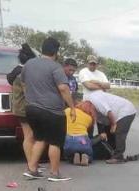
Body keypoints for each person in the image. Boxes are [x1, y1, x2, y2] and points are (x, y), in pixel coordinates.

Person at [21, 37, 76, 182]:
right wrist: (72, 108)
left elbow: (24, 85)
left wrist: (31, 99)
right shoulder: (55, 67)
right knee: (55, 142)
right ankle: (54, 173)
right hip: (52, 111)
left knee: (40, 138)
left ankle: (32, 169)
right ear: (55, 51)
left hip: (31, 108)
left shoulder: (28, 64)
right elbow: (63, 88)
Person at [6, 43, 36, 168]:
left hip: (19, 106)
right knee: (29, 136)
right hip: (25, 108)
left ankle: (33, 162)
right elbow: (28, 92)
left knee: (29, 136)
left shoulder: (15, 71)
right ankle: (31, 164)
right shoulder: (24, 72)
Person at [87, 90, 138, 164]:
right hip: (115, 112)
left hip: (126, 110)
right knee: (109, 131)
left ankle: (118, 157)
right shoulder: (91, 102)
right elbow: (102, 120)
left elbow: (109, 112)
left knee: (119, 132)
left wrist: (113, 125)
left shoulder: (96, 102)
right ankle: (112, 152)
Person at [63, 100, 95, 166]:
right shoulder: (89, 118)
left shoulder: (68, 110)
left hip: (69, 139)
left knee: (68, 156)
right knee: (90, 155)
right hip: (83, 139)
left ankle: (73, 157)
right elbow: (90, 134)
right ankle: (86, 157)